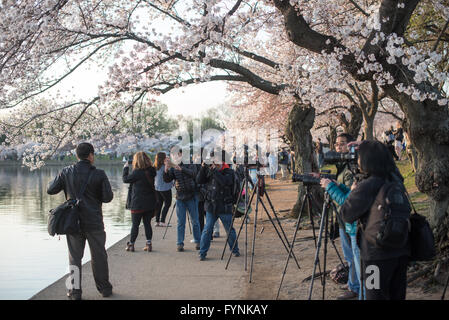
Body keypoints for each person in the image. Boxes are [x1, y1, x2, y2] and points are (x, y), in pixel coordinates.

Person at [336, 140, 409, 300]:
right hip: (401, 249)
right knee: (397, 296)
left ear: (367, 161)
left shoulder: (368, 184)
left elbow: (347, 214)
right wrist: (371, 144)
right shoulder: (395, 179)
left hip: (376, 254)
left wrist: (353, 191)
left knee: (375, 296)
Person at [47, 142, 113, 300]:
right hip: (94, 221)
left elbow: (51, 189)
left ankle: (74, 292)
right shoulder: (99, 174)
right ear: (90, 155)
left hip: (73, 222)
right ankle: (104, 289)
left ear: (77, 155)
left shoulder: (66, 171)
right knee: (99, 256)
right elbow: (108, 197)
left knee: (74, 257)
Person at [319, 133, 361, 300]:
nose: (338, 147)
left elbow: (349, 200)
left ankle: (358, 289)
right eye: (336, 144)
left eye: (343, 144)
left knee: (355, 257)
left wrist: (331, 188)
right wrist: (335, 184)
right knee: (350, 257)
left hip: (353, 220)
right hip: (344, 219)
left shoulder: (353, 169)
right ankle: (354, 285)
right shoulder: (339, 165)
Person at [196, 155, 240, 261]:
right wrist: (203, 168)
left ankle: (235, 250)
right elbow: (199, 180)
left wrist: (215, 171)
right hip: (211, 206)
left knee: (229, 230)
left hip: (225, 206)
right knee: (207, 230)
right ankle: (202, 253)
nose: (215, 162)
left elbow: (224, 182)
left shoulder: (229, 171)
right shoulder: (209, 170)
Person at [163, 149, 201, 252]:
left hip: (191, 196)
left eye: (176, 154)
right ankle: (180, 243)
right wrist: (166, 170)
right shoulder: (173, 166)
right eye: (172, 155)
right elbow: (167, 179)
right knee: (181, 222)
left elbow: (194, 174)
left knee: (195, 221)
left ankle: (198, 242)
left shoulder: (190, 163)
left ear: (181, 154)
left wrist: (181, 169)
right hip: (180, 197)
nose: (174, 156)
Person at [123, 151, 157, 252]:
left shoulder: (136, 173)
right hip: (150, 203)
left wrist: (125, 168)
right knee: (147, 223)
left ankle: (131, 244)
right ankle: (149, 244)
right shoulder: (152, 171)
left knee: (135, 225)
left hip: (137, 203)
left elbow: (125, 179)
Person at [154, 152, 174, 227]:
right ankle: (162, 221)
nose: (166, 157)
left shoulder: (155, 166)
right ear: (163, 158)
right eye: (165, 157)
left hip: (157, 188)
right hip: (165, 188)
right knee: (168, 203)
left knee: (159, 204)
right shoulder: (166, 166)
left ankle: (157, 221)